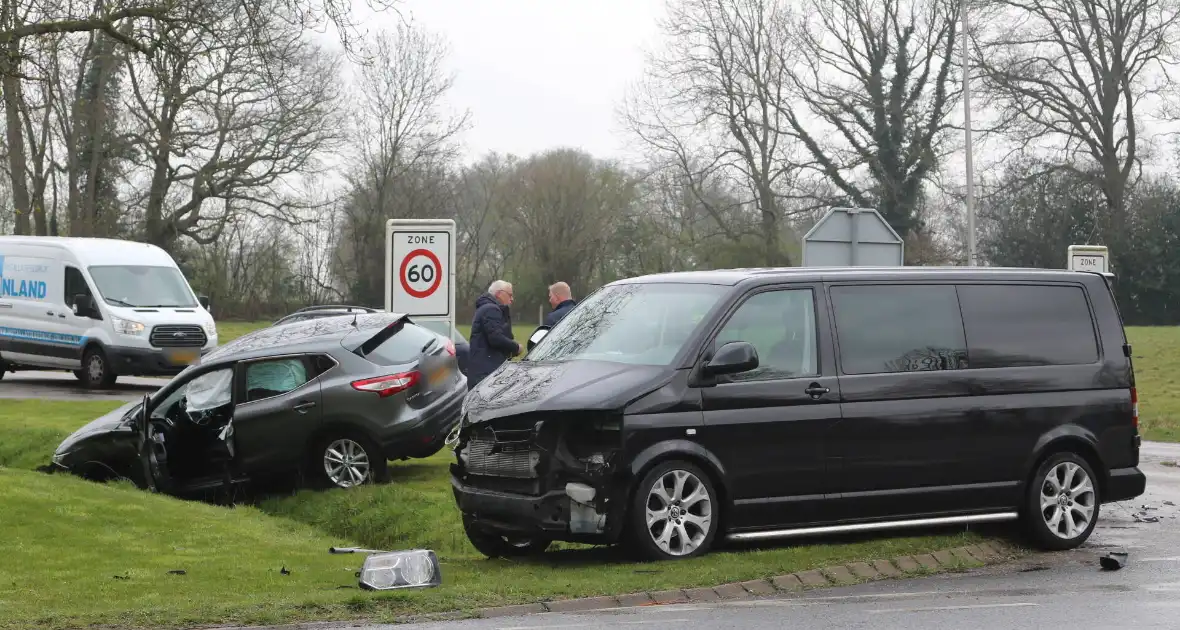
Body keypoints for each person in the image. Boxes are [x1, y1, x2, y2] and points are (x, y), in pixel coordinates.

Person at [467, 279, 521, 389]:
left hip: (482, 371)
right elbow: (496, 338)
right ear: (499, 294)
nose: (512, 299)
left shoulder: (486, 308)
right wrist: (516, 347)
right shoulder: (491, 309)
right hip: (487, 373)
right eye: (509, 295)